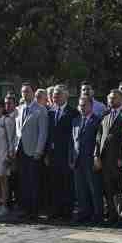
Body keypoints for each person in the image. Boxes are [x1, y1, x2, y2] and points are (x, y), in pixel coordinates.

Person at [13, 83, 49, 221]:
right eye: (22, 92)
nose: (25, 94)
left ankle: (34, 210)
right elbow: (17, 132)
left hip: (33, 151)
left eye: (27, 91)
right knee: (24, 182)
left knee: (34, 181)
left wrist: (39, 151)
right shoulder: (19, 109)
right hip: (20, 150)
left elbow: (43, 132)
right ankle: (25, 209)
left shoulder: (40, 109)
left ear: (33, 93)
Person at [95, 90, 122, 225]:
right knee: (108, 189)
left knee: (119, 189)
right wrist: (96, 155)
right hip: (105, 160)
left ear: (121, 99)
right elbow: (99, 137)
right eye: (109, 98)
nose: (111, 100)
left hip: (118, 160)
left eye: (114, 98)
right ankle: (112, 215)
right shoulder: (105, 115)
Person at [46, 86, 77, 220]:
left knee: (66, 183)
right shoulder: (50, 112)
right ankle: (55, 209)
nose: (55, 96)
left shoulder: (72, 112)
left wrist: (72, 155)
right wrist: (47, 153)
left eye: (58, 94)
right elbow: (49, 134)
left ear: (66, 96)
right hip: (53, 154)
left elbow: (73, 135)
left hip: (66, 153)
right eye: (53, 94)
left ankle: (67, 211)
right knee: (54, 183)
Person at [71, 94, 103, 224]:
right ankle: (84, 212)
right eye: (80, 105)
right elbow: (72, 141)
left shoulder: (97, 120)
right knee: (81, 189)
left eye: (84, 105)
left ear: (91, 105)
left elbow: (98, 141)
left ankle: (98, 214)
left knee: (94, 189)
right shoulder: (76, 120)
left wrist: (97, 157)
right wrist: (71, 158)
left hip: (91, 160)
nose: (82, 108)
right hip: (78, 160)